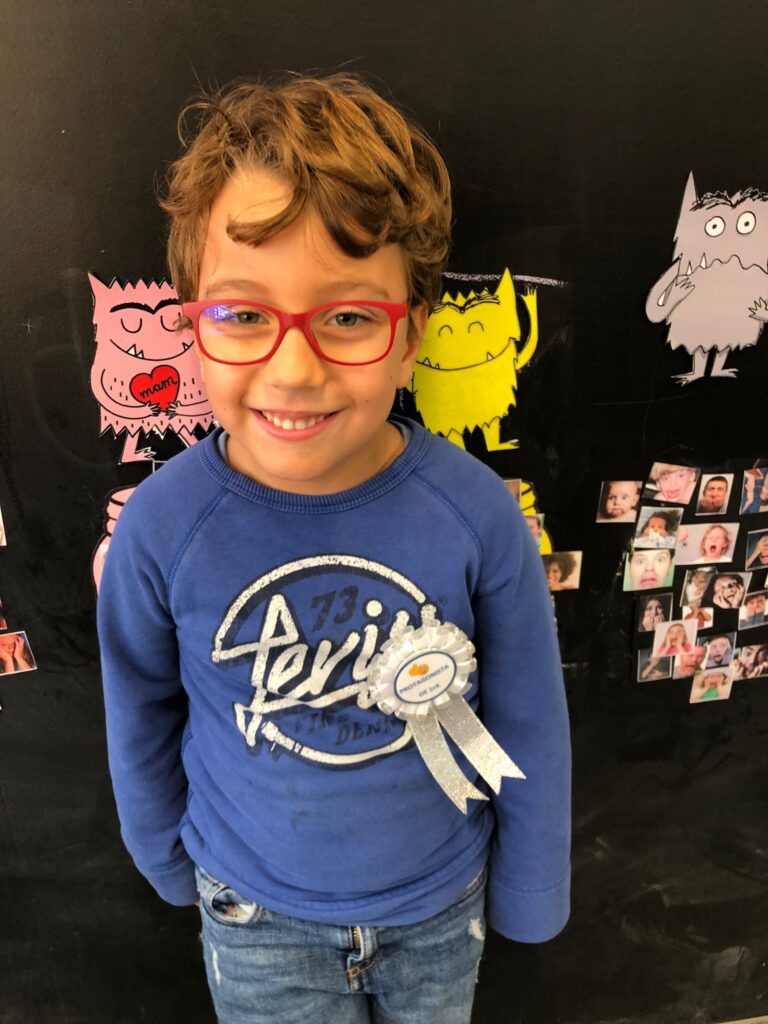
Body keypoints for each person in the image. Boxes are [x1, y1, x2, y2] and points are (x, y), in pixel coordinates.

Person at [96, 75, 571, 1024]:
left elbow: (528, 717)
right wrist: (165, 860)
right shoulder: (160, 527)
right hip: (253, 914)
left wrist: (533, 890)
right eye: (244, 315)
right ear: (192, 325)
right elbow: (138, 710)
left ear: (411, 338)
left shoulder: (475, 513)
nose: (295, 367)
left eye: (348, 317)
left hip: (442, 908)